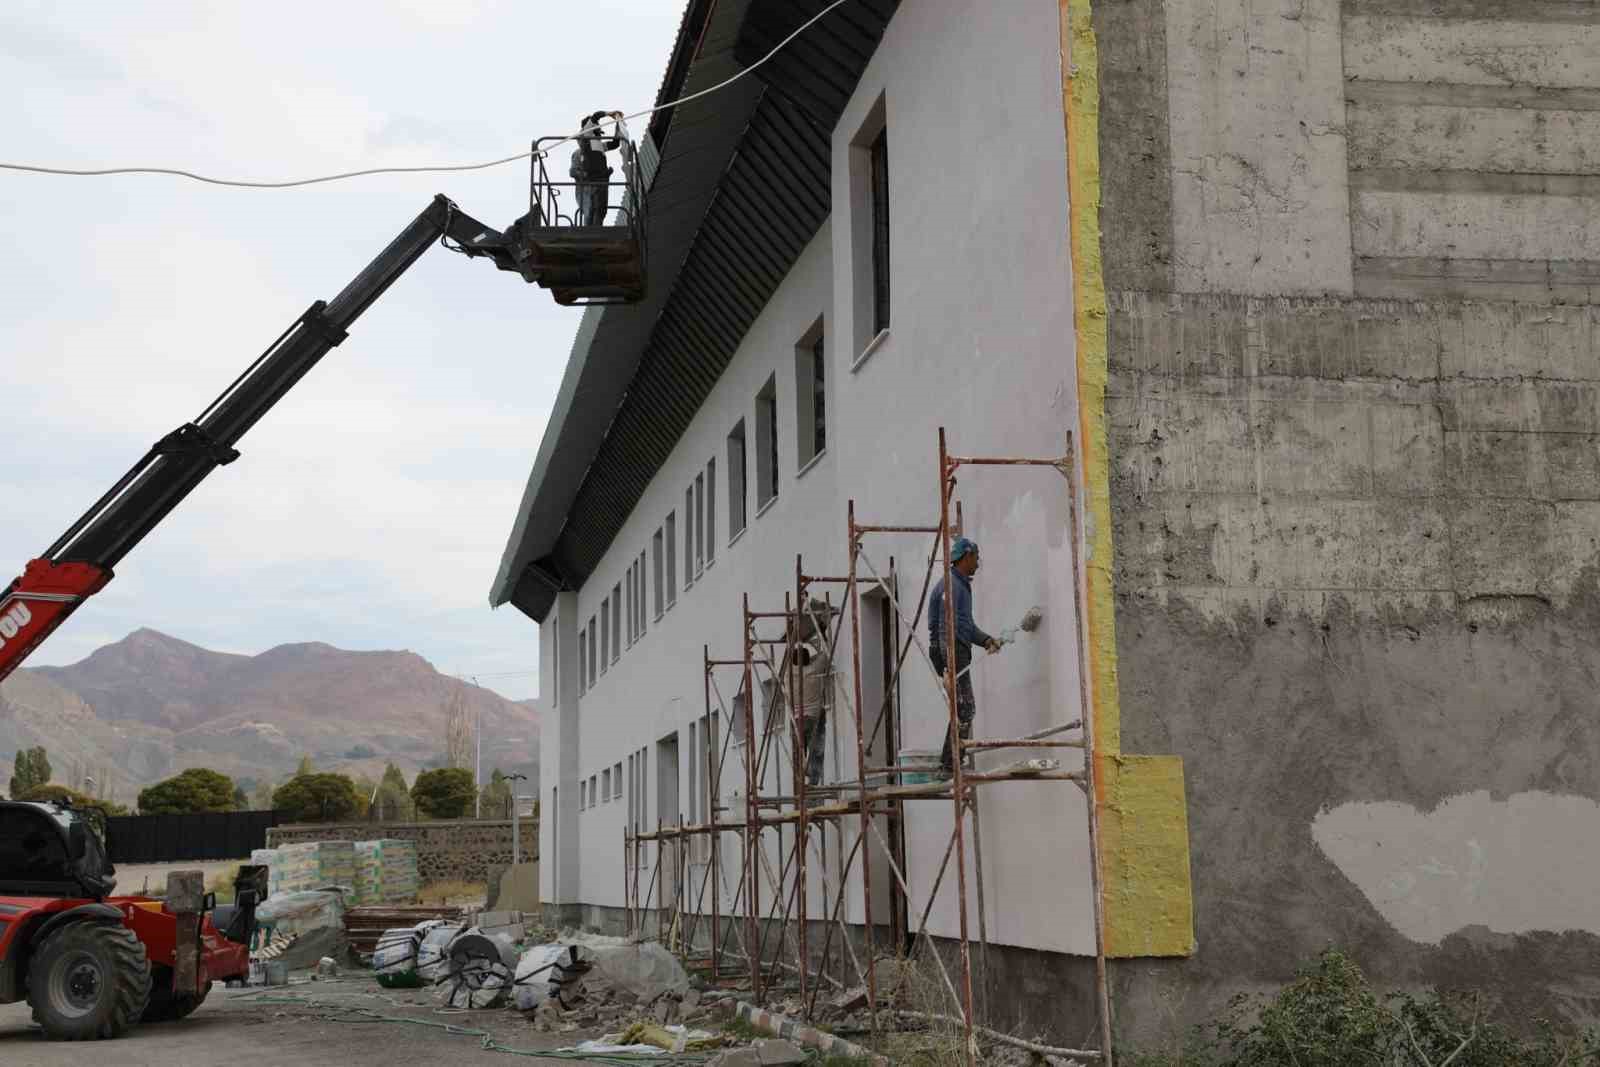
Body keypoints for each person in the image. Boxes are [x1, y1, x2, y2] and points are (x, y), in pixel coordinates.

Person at [928, 537, 1000, 774]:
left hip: (953, 650)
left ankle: (950, 762)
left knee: (962, 710)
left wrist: (986, 640)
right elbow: (943, 627)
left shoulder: (955, 584)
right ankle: (950, 763)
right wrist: (947, 663)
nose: (978, 564)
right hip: (953, 652)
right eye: (976, 558)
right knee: (965, 709)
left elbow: (964, 625)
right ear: (966, 556)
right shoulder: (951, 586)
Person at [569, 111, 621, 226]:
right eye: (597, 127)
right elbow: (595, 116)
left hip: (602, 180)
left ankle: (598, 230)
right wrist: (609, 114)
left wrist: (618, 124)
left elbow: (615, 144)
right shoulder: (586, 137)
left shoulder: (600, 145)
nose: (600, 130)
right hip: (590, 182)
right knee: (591, 210)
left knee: (601, 210)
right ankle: (588, 232)